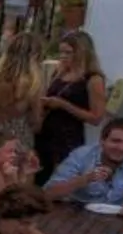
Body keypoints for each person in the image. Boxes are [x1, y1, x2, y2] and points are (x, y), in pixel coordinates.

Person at [42, 115, 123, 211]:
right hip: (76, 212)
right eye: (115, 141)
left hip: (115, 217)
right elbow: (48, 194)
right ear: (102, 140)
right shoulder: (82, 155)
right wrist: (85, 179)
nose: (121, 147)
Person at [32, 30, 107, 182]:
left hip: (67, 137)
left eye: (69, 53)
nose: (63, 57)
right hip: (45, 135)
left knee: (60, 180)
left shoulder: (93, 79)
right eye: (61, 52)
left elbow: (96, 117)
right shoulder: (59, 73)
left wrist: (64, 105)